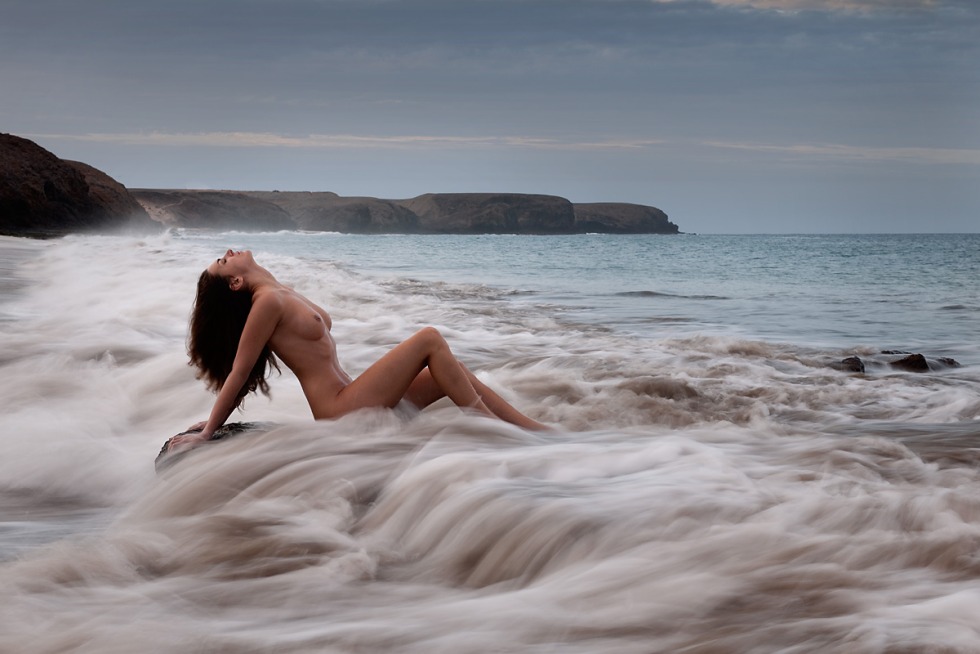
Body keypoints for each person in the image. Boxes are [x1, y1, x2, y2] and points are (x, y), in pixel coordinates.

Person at [167, 249, 548, 451]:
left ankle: (535, 432)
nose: (229, 251)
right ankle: (494, 433)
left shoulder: (278, 291)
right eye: (223, 261)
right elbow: (240, 370)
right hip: (340, 412)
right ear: (235, 282)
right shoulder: (266, 303)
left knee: (451, 368)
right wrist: (209, 431)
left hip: (353, 398)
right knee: (429, 339)